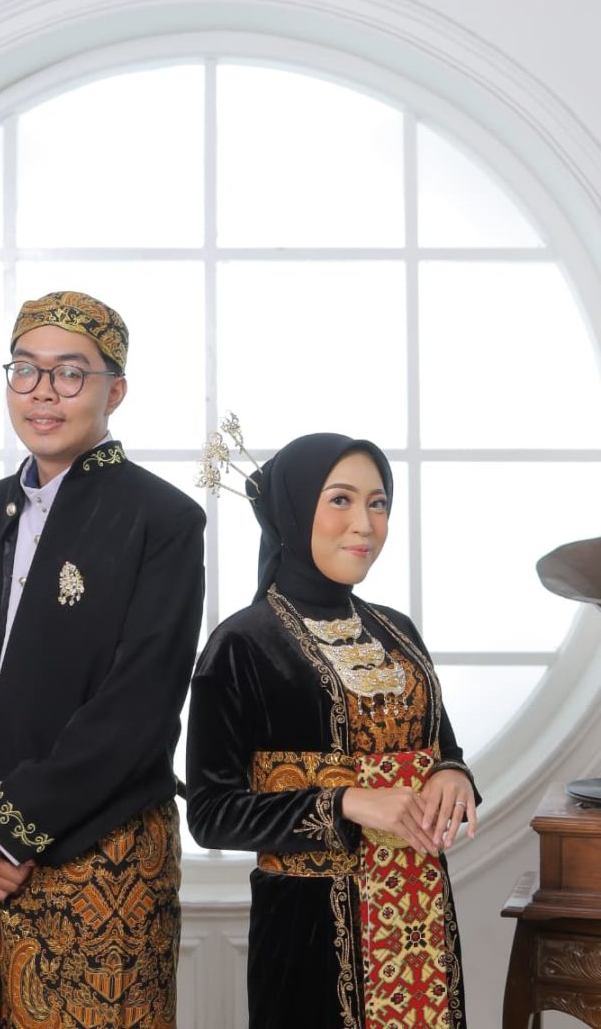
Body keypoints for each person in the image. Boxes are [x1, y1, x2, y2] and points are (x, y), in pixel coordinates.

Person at [0, 290, 205, 1029]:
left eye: (70, 373)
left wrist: (2, 832)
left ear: (116, 390)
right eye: (26, 369)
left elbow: (138, 709)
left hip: (104, 862)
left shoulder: (163, 520)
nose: (43, 392)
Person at [186, 432, 479, 1029]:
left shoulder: (398, 631)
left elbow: (442, 745)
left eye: (378, 503)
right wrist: (345, 801)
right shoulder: (242, 644)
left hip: (421, 923)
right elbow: (211, 814)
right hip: (310, 937)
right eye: (340, 499)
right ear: (292, 509)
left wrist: (453, 773)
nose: (365, 524)